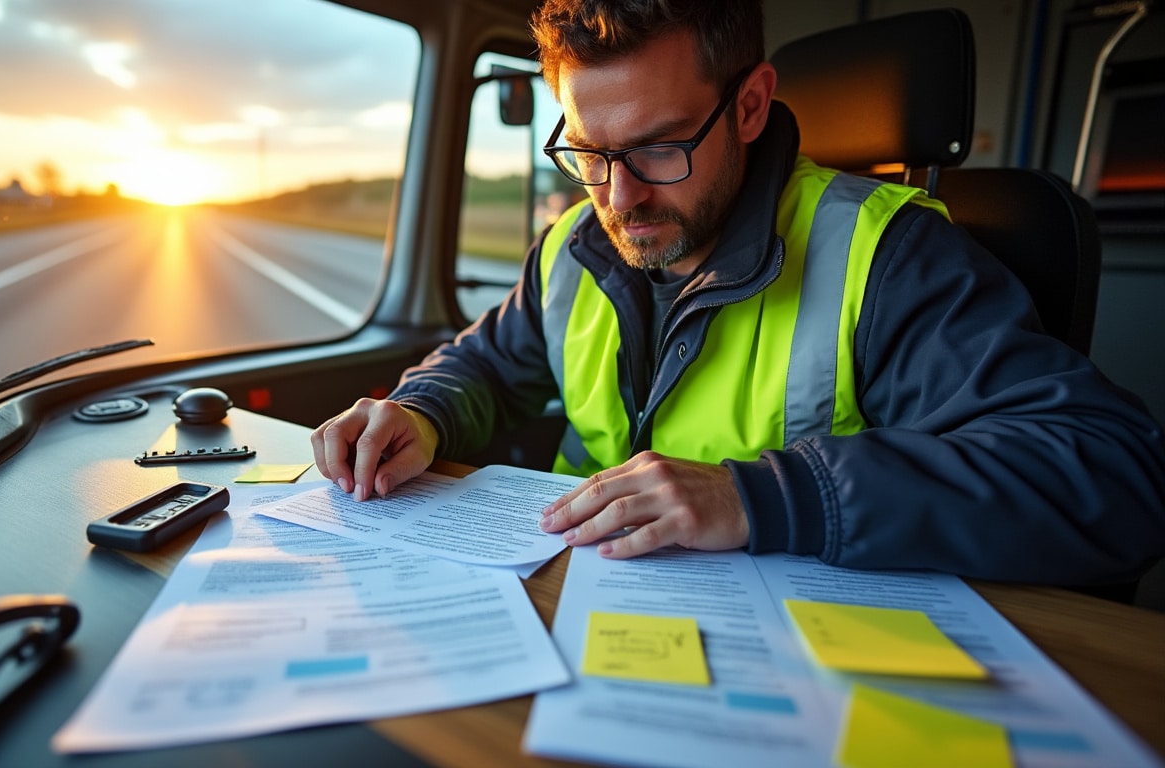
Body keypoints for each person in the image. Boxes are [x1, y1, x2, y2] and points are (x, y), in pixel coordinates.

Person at [311, 0, 1165, 585]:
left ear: (750, 106)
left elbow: (1116, 476)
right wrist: (420, 411)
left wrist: (764, 496)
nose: (618, 199)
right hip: (572, 608)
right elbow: (491, 367)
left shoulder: (886, 256)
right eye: (589, 153)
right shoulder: (572, 246)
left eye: (656, 150)